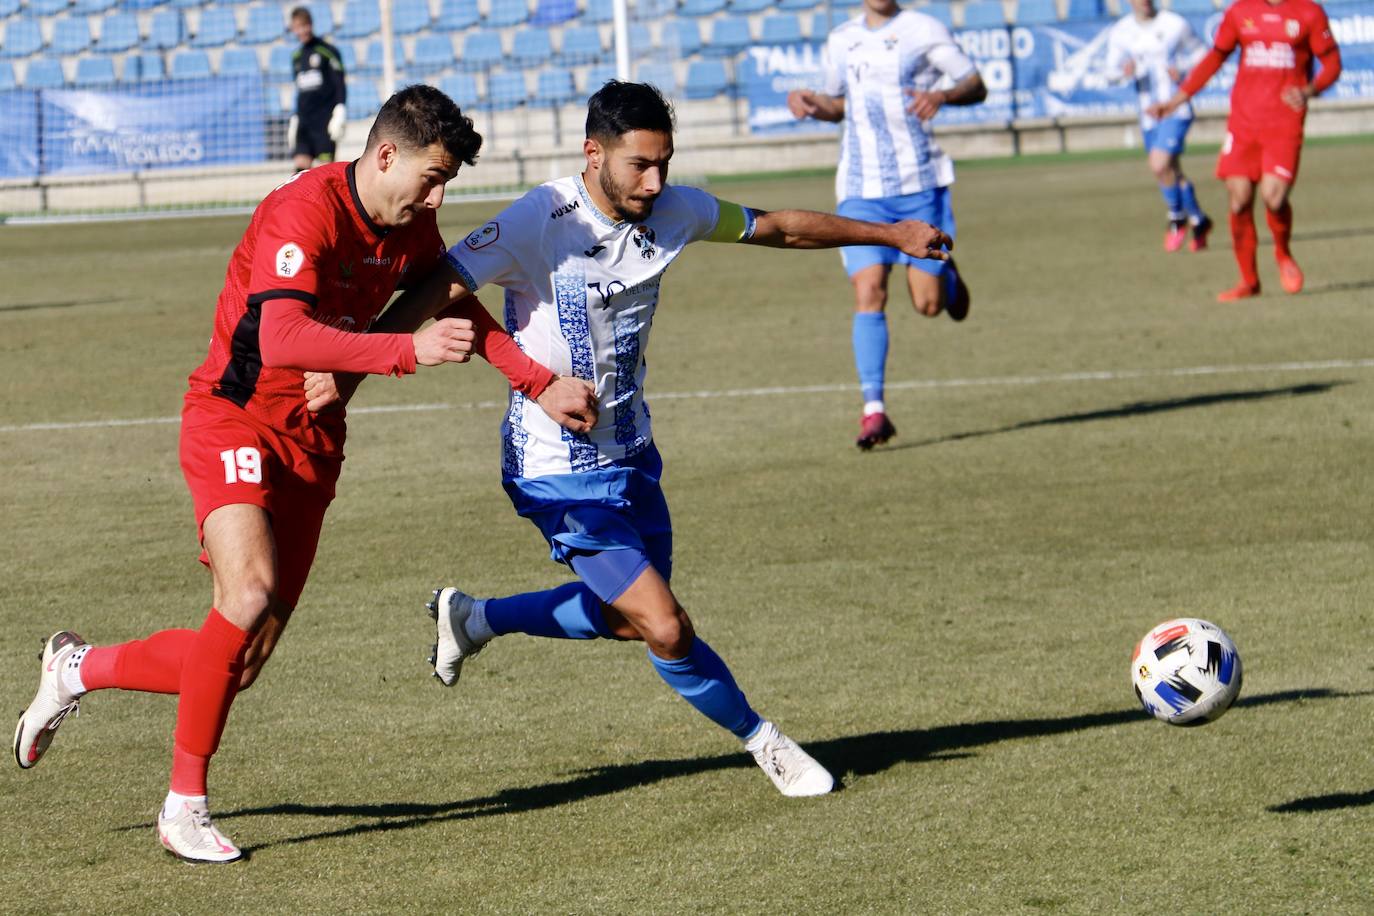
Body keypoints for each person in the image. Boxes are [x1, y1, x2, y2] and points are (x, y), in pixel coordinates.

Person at [308, 81, 955, 798]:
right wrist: (351, 371)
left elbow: (779, 228)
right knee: (667, 626)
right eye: (639, 165)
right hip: (553, 470)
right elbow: (438, 287)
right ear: (594, 154)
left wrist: (894, 236)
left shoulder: (674, 210)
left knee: (628, 620)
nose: (655, 181)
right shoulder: (539, 218)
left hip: (632, 453)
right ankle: (765, 742)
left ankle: (474, 617)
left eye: (664, 163)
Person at [13, 86, 597, 864]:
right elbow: (284, 337)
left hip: (314, 443)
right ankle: (183, 807)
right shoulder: (305, 209)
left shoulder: (410, 221)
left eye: (446, 182)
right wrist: (401, 352)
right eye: (430, 177)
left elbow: (454, 303)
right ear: (385, 155)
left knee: (240, 663)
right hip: (235, 416)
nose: (438, 196)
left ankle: (78, 668)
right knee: (246, 594)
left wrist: (537, 383)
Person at [785, 0, 983, 449]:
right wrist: (812, 103)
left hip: (919, 184)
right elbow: (839, 105)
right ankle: (874, 410)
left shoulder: (924, 29)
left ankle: (945, 276)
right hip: (860, 189)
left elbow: (976, 84)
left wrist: (943, 95)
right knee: (868, 289)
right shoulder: (842, 39)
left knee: (929, 305)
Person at [1149, 0, 1341, 301]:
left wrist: (1308, 91)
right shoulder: (1240, 12)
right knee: (1239, 200)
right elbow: (1214, 58)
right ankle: (1249, 282)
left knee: (1273, 197)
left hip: (1284, 122)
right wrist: (1176, 101)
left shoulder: (1308, 12)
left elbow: (1332, 64)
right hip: (1244, 121)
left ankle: (1283, 253)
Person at [1104, 0, 1212, 252]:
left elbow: (1203, 55)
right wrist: (1123, 71)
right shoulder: (1121, 31)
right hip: (1148, 113)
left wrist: (1183, 69)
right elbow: (1109, 72)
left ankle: (1176, 217)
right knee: (1171, 170)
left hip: (1176, 107)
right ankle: (1200, 220)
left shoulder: (1174, 24)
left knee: (1158, 163)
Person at [288, 6, 347, 172]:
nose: (301, 31)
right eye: (297, 27)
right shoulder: (296, 58)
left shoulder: (328, 52)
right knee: (299, 172)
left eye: (304, 26)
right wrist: (295, 117)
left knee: (324, 173)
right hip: (305, 122)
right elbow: (300, 90)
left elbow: (339, 83)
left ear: (311, 25)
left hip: (324, 121)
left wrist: (340, 109)